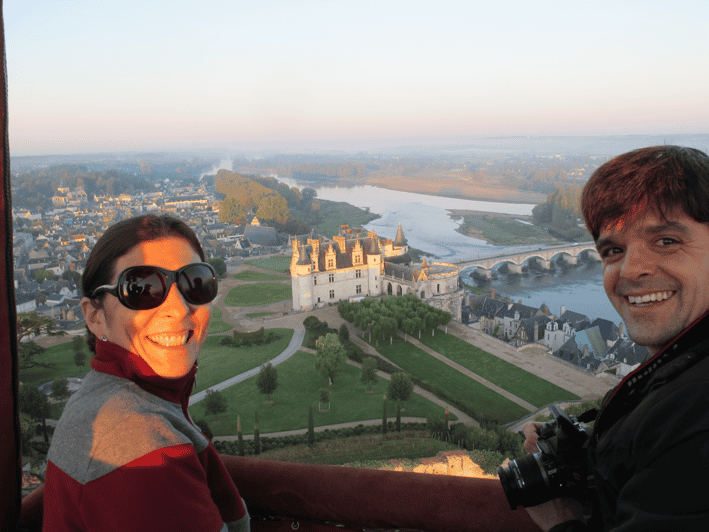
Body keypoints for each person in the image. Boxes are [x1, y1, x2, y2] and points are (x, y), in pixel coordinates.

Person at [522, 145, 709, 531]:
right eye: (613, 250)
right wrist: (590, 450)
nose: (631, 269)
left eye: (667, 241)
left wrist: (562, 519)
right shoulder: (679, 370)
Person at [42, 214, 250, 532]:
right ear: (95, 316)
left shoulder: (104, 397)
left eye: (196, 282)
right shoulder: (144, 446)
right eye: (142, 289)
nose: (179, 308)